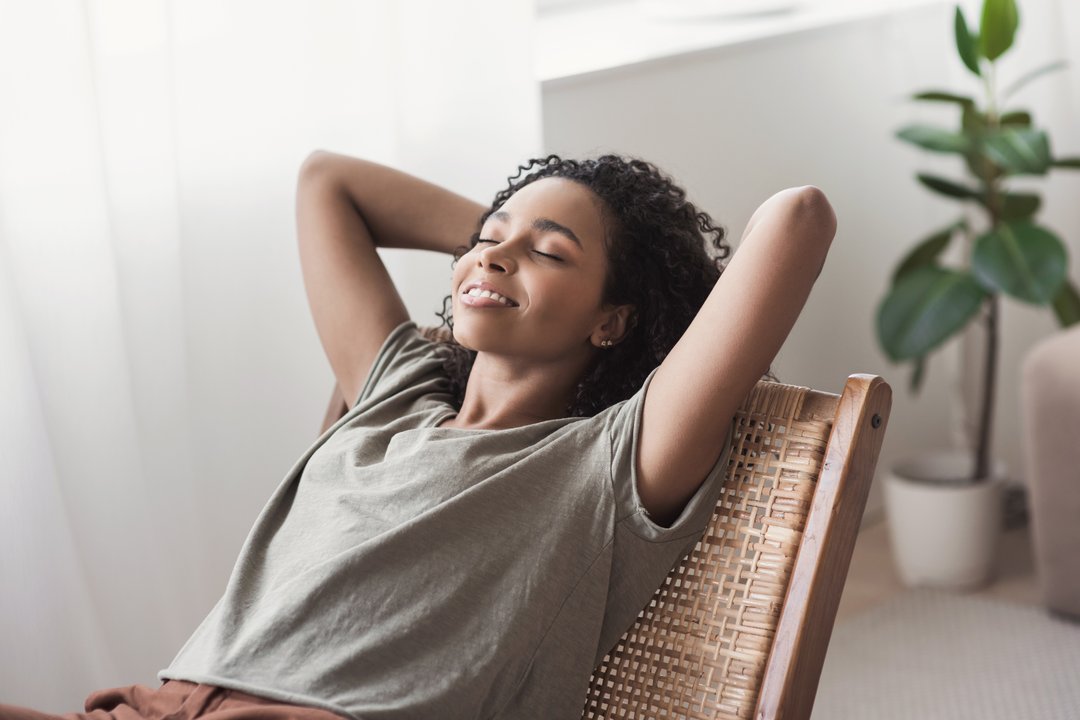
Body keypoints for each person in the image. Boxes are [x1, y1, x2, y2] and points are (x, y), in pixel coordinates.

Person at [0, 152, 835, 720]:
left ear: (614, 320)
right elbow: (326, 179)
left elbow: (799, 219)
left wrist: (635, 273)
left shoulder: (610, 464)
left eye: (546, 251)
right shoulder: (396, 391)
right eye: (485, 239)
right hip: (169, 703)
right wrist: (517, 246)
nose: (494, 255)